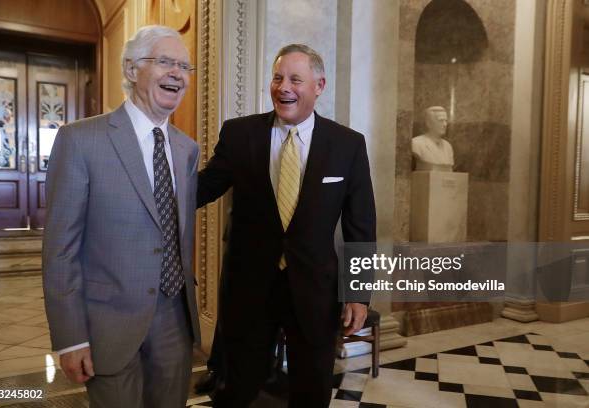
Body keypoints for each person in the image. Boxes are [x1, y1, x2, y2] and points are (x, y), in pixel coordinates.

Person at [198, 43, 376, 408]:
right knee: (237, 390)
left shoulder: (348, 145)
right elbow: (201, 189)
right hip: (249, 290)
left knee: (311, 390)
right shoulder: (239, 134)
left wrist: (358, 293)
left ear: (319, 86)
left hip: (314, 293)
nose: (284, 87)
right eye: (278, 78)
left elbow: (361, 226)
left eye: (296, 79)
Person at [42, 25, 200, 408]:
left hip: (174, 322)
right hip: (107, 324)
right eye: (165, 62)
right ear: (131, 70)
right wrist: (71, 337)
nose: (177, 73)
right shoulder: (80, 140)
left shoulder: (186, 149)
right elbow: (61, 249)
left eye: (184, 66)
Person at [411, 106, 454, 171]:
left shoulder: (448, 146)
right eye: (441, 120)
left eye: (446, 121)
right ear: (429, 123)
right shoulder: (416, 143)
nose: (445, 124)